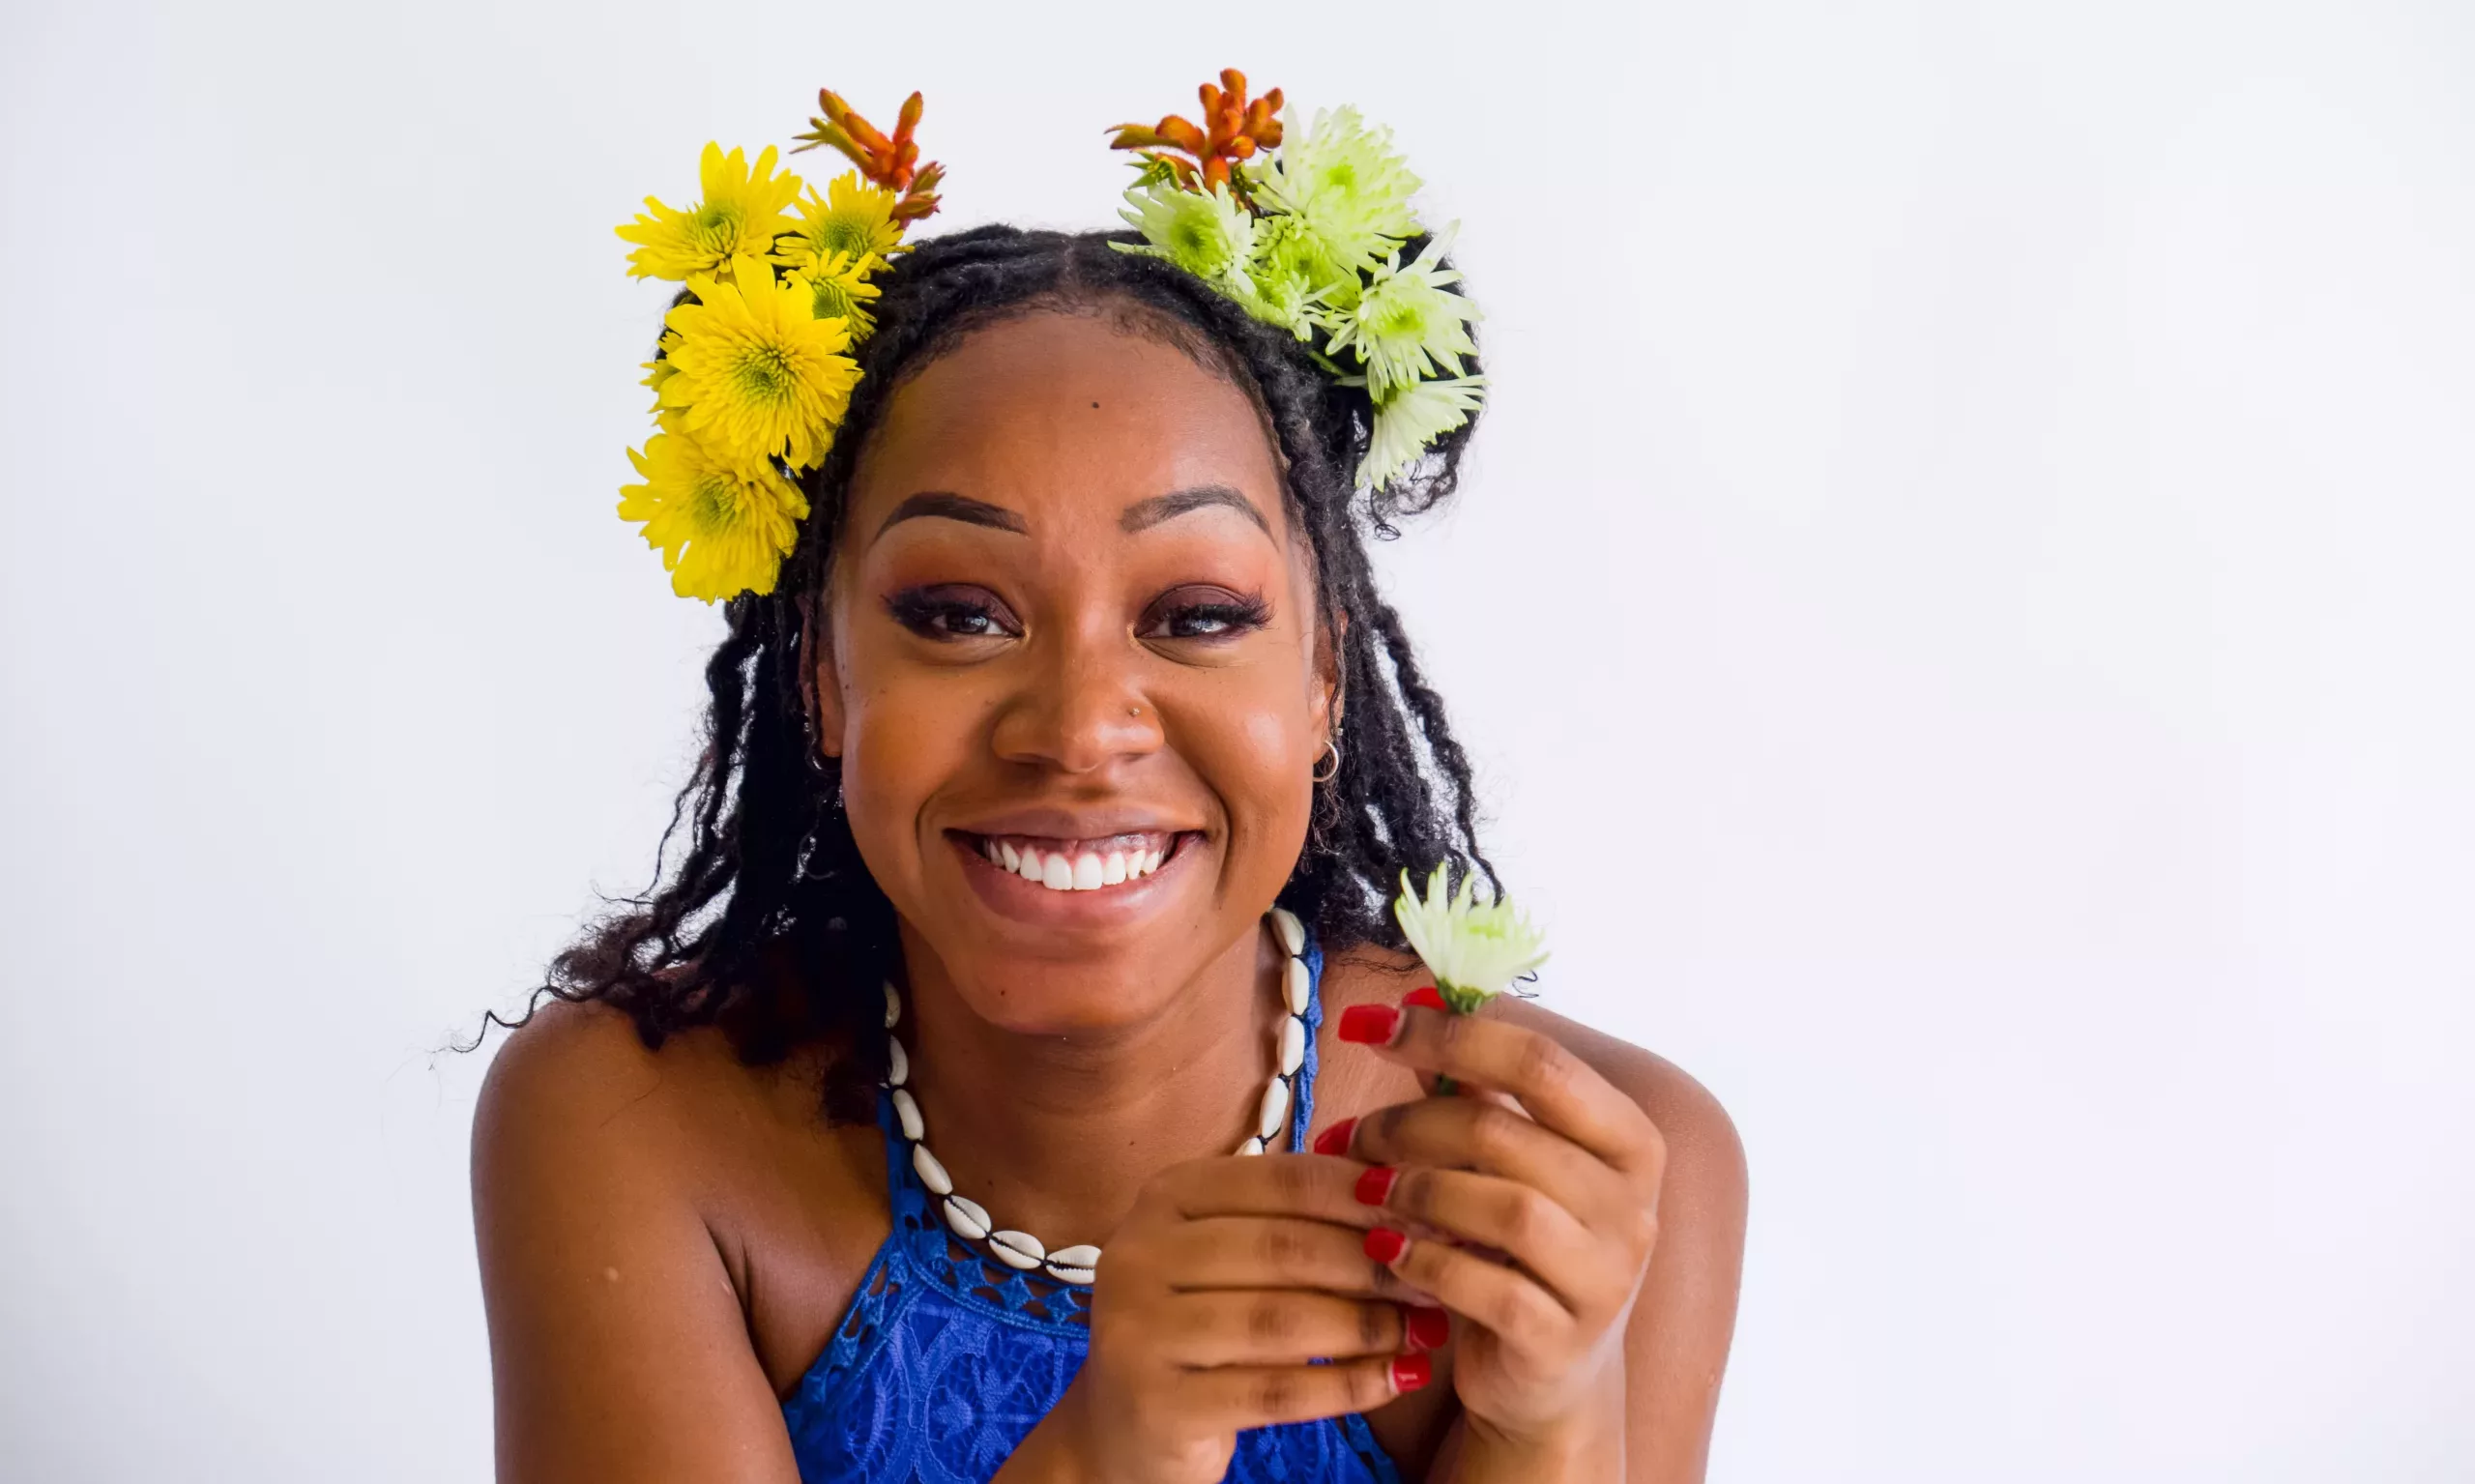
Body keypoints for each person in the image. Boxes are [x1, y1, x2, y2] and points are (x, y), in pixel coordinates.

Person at [472, 75, 1748, 1484]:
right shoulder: (639, 1129)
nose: (1082, 731)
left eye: (1196, 614)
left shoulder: (1591, 1178)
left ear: (1323, 680)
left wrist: (1549, 1417)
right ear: (822, 680)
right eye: (958, 612)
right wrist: (1103, 1456)